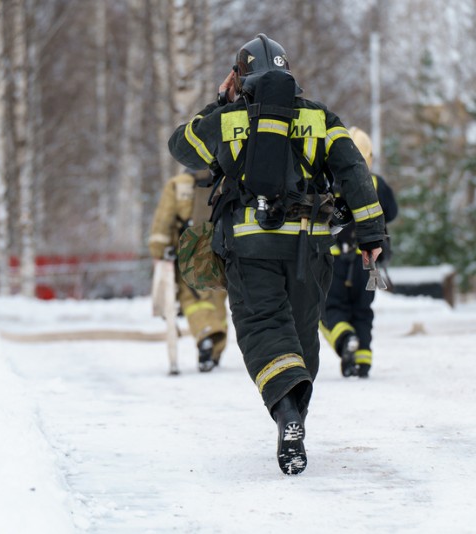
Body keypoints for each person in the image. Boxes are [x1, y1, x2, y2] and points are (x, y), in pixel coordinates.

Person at [167, 34, 385, 475]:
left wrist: (217, 100)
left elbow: (181, 146)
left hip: (250, 249)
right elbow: (355, 173)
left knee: (265, 329)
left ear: (241, 77)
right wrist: (371, 233)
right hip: (311, 249)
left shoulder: (228, 120)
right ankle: (295, 421)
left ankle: (287, 416)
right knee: (302, 338)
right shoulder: (320, 118)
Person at [319, 126, 398, 379]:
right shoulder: (377, 183)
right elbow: (392, 213)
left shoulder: (328, 184)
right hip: (368, 262)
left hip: (334, 260)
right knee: (363, 311)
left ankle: (346, 339)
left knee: (331, 308)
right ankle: (362, 360)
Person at [148, 168, 229, 372]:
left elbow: (163, 220)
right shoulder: (224, 179)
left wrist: (158, 251)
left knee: (192, 299)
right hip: (220, 249)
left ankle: (206, 335)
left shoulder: (178, 184)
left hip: (190, 250)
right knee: (217, 298)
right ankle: (217, 349)